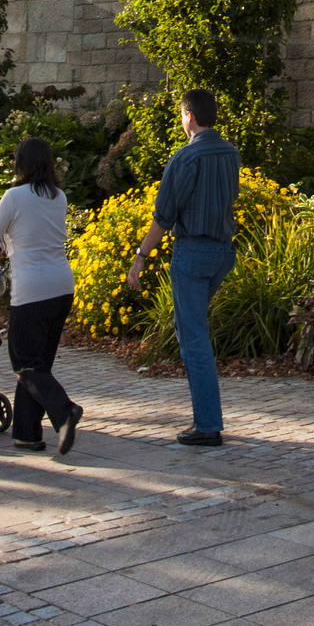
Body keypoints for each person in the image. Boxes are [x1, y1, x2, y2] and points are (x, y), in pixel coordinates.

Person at [127, 90, 239, 448]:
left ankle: (207, 424)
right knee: (193, 330)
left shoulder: (185, 158)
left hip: (193, 254)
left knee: (193, 338)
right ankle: (205, 417)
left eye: (181, 114)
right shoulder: (230, 153)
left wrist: (141, 256)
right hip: (223, 252)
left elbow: (163, 217)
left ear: (188, 116)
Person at [0, 135, 83, 456]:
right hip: (61, 288)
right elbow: (36, 236)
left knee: (24, 365)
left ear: (21, 163)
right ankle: (27, 434)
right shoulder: (58, 197)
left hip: (31, 291)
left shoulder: (13, 196)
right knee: (39, 365)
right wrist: (11, 246)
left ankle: (65, 411)